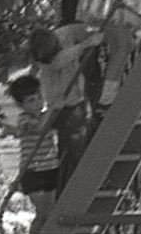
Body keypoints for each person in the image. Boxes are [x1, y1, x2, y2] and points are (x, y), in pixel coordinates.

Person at [28, 24, 100, 183]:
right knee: (73, 147)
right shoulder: (48, 61)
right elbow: (58, 62)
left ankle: (78, 180)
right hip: (62, 106)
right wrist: (86, 44)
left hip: (76, 101)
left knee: (78, 143)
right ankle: (76, 182)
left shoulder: (64, 34)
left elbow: (82, 30)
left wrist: (92, 32)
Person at [2, 75, 63, 234]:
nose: (38, 102)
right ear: (21, 105)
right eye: (31, 100)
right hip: (33, 172)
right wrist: (53, 109)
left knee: (50, 211)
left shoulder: (45, 115)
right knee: (45, 213)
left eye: (39, 97)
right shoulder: (24, 119)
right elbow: (39, 129)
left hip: (50, 168)